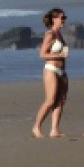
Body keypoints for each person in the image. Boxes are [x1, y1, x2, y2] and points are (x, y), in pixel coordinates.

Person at [32, 8, 69, 138]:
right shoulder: (50, 34)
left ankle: (54, 129)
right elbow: (42, 54)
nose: (64, 20)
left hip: (62, 71)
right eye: (62, 17)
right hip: (51, 69)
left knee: (61, 100)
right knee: (50, 100)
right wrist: (59, 55)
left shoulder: (60, 35)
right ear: (54, 19)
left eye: (65, 17)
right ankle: (36, 126)